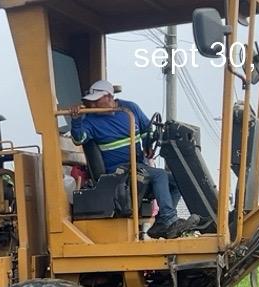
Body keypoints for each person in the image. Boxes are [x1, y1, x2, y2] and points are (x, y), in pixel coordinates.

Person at [69, 79, 199, 239]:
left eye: (96, 101)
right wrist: (76, 121)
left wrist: (148, 145)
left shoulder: (130, 109)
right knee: (159, 174)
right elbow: (79, 138)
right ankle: (170, 220)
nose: (93, 105)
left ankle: (161, 224)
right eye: (91, 102)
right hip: (119, 172)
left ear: (109, 97)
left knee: (179, 181)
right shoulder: (90, 120)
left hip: (137, 167)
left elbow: (146, 130)